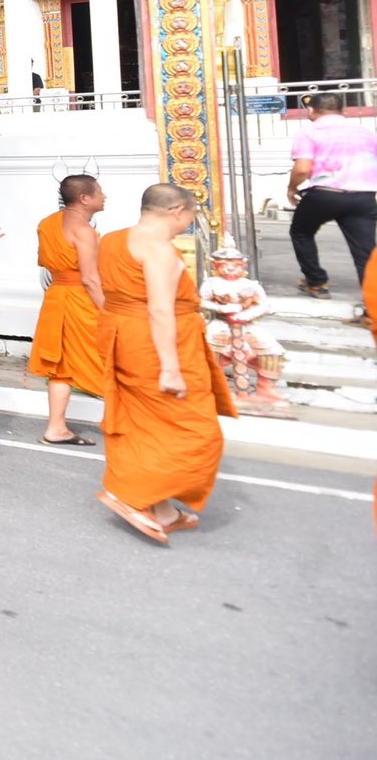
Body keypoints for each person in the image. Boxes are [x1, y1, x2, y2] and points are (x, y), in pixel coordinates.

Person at [94, 184, 237, 543]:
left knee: (145, 422)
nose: (189, 222)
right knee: (196, 430)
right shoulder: (159, 251)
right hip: (157, 344)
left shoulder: (112, 239)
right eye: (190, 215)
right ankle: (128, 494)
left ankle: (163, 510)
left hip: (122, 336)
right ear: (177, 211)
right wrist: (170, 368)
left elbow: (102, 287)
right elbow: (159, 309)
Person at [31, 175, 108, 446]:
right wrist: (108, 311)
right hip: (80, 299)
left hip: (56, 298)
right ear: (85, 198)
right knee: (108, 357)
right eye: (99, 191)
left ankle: (56, 428)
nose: (104, 196)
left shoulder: (47, 223)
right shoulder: (84, 231)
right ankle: (127, 423)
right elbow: (89, 278)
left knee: (61, 366)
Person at [285, 91, 377, 300]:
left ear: (311, 110)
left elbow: (302, 169)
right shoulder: (365, 132)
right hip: (363, 196)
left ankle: (316, 282)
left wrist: (291, 188)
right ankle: (373, 308)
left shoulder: (309, 132)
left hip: (326, 194)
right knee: (365, 252)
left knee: (301, 232)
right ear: (342, 111)